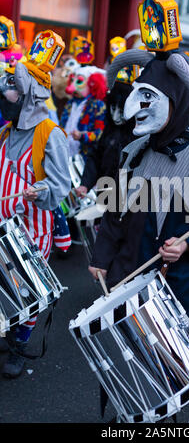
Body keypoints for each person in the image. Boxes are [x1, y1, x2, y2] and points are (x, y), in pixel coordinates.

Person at [87, 47, 189, 331]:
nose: (133, 109)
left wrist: (187, 244)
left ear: (176, 101)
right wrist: (102, 254)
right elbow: (114, 208)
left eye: (147, 97)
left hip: (178, 285)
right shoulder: (131, 151)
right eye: (136, 95)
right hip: (129, 274)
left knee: (177, 367)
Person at [0, 33, 71, 378]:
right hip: (3, 227)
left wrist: (38, 189)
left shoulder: (49, 133)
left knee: (27, 290)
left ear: (29, 96)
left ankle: (18, 343)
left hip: (32, 231)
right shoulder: (5, 132)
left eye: (10, 92)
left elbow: (61, 186)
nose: (4, 99)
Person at [75, 81, 135, 198]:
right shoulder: (109, 128)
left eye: (122, 112)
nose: (115, 117)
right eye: (113, 108)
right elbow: (96, 157)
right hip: (105, 195)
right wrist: (85, 184)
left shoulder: (140, 135)